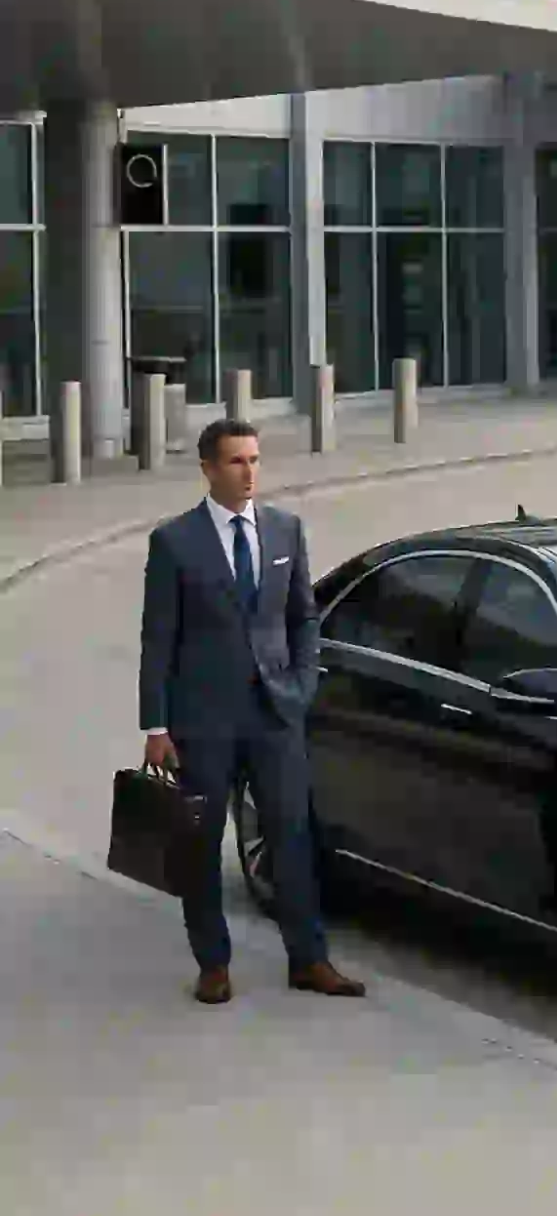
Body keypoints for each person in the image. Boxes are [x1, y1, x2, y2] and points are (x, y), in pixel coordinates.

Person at [138, 420, 364, 1006]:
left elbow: (302, 617)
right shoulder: (175, 542)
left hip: (275, 714)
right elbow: (157, 639)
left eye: (255, 460)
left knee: (291, 835)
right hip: (203, 721)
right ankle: (213, 963)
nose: (249, 473)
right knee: (201, 842)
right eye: (236, 462)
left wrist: (302, 683)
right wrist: (155, 725)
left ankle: (309, 959)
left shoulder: (285, 530)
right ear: (209, 469)